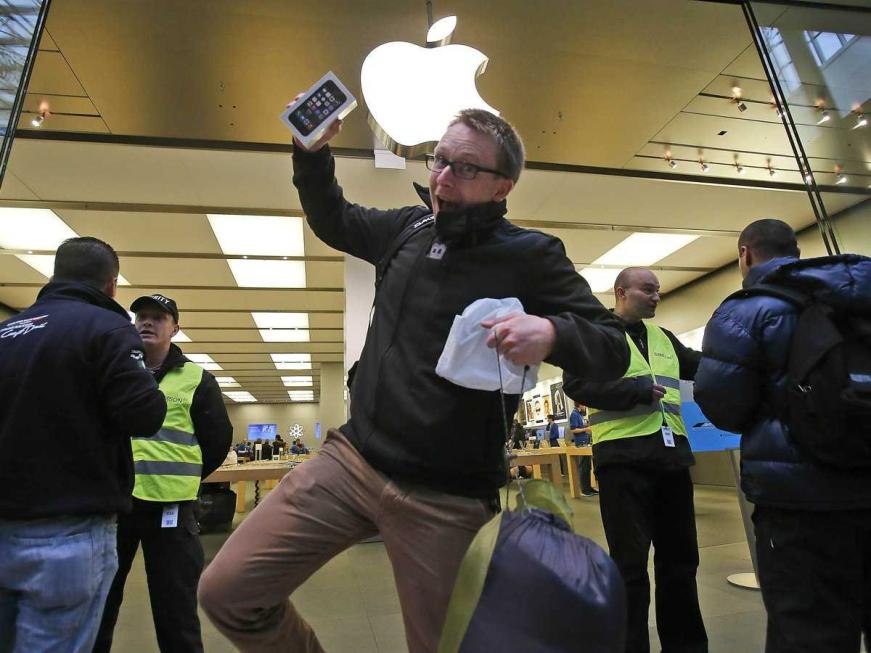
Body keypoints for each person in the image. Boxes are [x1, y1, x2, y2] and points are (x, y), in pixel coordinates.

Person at [198, 107, 629, 653]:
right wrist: (310, 154)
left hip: (447, 494)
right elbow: (335, 218)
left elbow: (612, 346)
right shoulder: (407, 228)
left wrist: (552, 331)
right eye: (440, 160)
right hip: (352, 461)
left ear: (504, 187)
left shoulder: (532, 255)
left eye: (466, 168)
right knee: (228, 591)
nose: (443, 177)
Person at [694, 219, 871, 653]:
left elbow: (723, 405)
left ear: (745, 255)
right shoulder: (859, 301)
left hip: (799, 502)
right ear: (796, 250)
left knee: (808, 630)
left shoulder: (745, 310)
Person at [0, 237, 166, 653]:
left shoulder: (6, 331)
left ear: (53, 276)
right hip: (67, 534)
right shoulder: (107, 329)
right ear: (111, 285)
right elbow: (144, 416)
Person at [564, 267, 707, 653]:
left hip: (672, 461)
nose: (656, 296)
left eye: (658, 290)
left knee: (681, 563)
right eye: (648, 289)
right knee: (629, 567)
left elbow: (701, 365)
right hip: (624, 463)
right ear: (621, 292)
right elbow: (576, 385)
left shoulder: (664, 339)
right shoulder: (595, 335)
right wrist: (633, 390)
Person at [93, 293, 233, 653]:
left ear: (175, 327)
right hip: (117, 505)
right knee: (100, 605)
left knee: (176, 610)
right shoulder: (116, 371)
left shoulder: (197, 379)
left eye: (158, 317)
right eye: (140, 316)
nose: (147, 322)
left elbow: (216, 441)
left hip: (171, 508)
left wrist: (185, 477)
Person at [569, 401, 596, 496]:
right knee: (583, 466)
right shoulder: (574, 414)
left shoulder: (579, 415)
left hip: (585, 442)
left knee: (587, 466)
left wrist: (585, 427)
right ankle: (584, 489)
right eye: (584, 405)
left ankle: (588, 487)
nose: (585, 407)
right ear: (580, 405)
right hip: (580, 443)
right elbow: (573, 429)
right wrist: (586, 429)